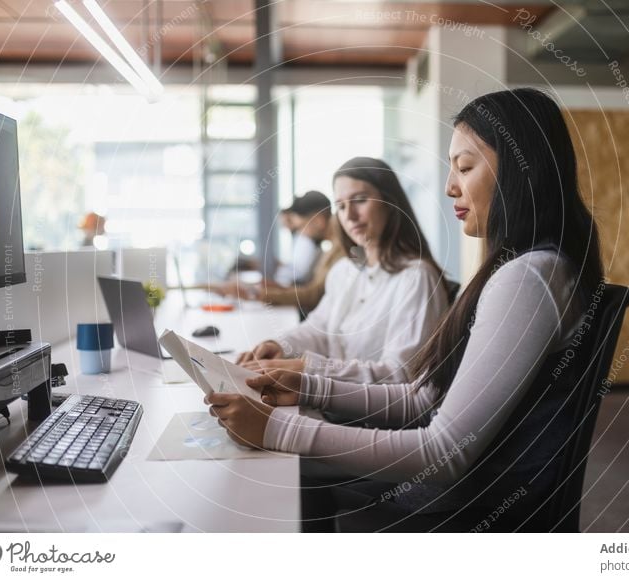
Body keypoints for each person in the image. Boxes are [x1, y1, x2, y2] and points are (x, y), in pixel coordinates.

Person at [206, 88, 604, 531]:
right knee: (277, 476)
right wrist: (306, 388)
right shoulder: (525, 271)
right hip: (462, 491)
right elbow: (424, 398)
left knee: (271, 481)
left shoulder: (528, 278)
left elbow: (444, 451)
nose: (451, 186)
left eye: (466, 167)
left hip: (469, 508)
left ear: (520, 170)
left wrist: (278, 429)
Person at [237, 157, 448, 384]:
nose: (349, 215)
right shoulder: (345, 270)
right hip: (332, 401)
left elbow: (399, 375)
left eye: (359, 200)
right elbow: (319, 329)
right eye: (341, 206)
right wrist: (279, 345)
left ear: (390, 203)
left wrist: (306, 367)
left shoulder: (416, 278)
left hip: (368, 416)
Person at [216, 193, 345, 315]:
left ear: (319, 221)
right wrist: (275, 288)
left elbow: (313, 295)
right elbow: (312, 289)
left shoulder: (341, 249)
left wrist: (254, 293)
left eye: (301, 227)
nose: (300, 234)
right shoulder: (330, 248)